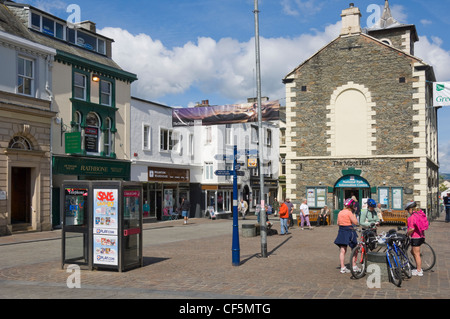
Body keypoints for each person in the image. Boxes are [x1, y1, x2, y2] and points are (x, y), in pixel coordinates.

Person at [334, 198, 358, 274]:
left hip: (341, 230)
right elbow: (356, 222)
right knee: (354, 248)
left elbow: (338, 222)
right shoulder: (349, 213)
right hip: (349, 230)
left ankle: (342, 267)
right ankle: (354, 266)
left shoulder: (340, 212)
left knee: (342, 250)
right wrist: (354, 214)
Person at [405, 201, 427, 276]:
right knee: (412, 252)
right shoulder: (420, 214)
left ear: (411, 209)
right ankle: (418, 265)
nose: (408, 212)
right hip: (421, 236)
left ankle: (419, 270)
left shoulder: (412, 217)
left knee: (416, 254)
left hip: (415, 237)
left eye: (408, 210)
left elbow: (411, 229)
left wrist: (407, 234)